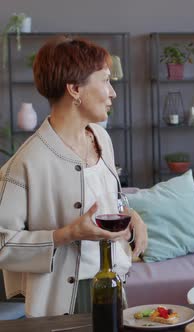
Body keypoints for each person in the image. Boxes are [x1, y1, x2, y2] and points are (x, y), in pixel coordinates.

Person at [0, 36, 148, 317]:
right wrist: (67, 235)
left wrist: (132, 215)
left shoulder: (101, 138)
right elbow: (2, 243)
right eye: (105, 80)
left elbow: (105, 202)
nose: (113, 92)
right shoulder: (28, 161)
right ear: (75, 89)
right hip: (69, 298)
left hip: (114, 284)